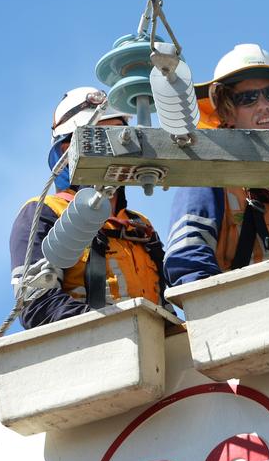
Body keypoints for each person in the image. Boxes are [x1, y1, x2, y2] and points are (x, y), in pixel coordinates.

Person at [164, 44, 269, 286]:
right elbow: (187, 262)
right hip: (239, 314)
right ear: (228, 111)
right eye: (248, 98)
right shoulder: (208, 179)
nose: (264, 105)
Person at [10, 87, 165, 329]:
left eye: (122, 136)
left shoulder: (140, 226)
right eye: (104, 136)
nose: (118, 146)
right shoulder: (46, 212)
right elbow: (36, 306)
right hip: (93, 350)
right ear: (67, 151)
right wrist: (115, 325)